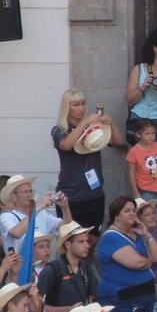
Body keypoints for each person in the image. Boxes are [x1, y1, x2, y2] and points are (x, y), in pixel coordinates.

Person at [96, 197, 157, 312]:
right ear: (116, 215)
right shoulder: (111, 237)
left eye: (133, 210)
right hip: (124, 300)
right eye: (127, 211)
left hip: (145, 296)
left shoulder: (136, 233)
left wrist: (146, 234)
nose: (132, 213)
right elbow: (138, 263)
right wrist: (149, 261)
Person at [52, 90, 110, 231]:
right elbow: (66, 145)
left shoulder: (93, 125)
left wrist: (109, 125)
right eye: (76, 105)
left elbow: (118, 142)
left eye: (83, 104)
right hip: (71, 195)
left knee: (93, 238)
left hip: (94, 193)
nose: (81, 108)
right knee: (71, 239)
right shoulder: (60, 129)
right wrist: (84, 123)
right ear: (67, 107)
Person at [124, 29, 157, 147]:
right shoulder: (139, 69)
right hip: (139, 120)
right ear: (155, 47)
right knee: (139, 159)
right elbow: (129, 100)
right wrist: (143, 87)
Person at [0, 175, 69, 257]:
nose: (30, 195)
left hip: (43, 268)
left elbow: (67, 229)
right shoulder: (7, 216)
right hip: (21, 268)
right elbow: (17, 233)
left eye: (31, 191)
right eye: (25, 192)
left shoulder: (42, 214)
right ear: (13, 197)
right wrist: (40, 206)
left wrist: (65, 208)